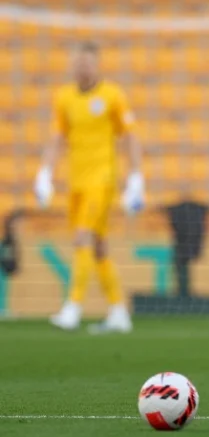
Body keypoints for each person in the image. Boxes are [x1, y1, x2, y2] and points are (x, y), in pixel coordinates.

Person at [34, 41, 144, 334]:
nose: (82, 69)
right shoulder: (64, 98)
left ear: (97, 66)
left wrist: (135, 177)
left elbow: (130, 136)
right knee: (98, 249)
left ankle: (73, 307)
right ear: (73, 65)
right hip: (76, 182)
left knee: (82, 238)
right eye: (78, 64)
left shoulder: (112, 96)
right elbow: (57, 138)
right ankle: (119, 311)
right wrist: (45, 172)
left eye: (87, 64)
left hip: (102, 181)